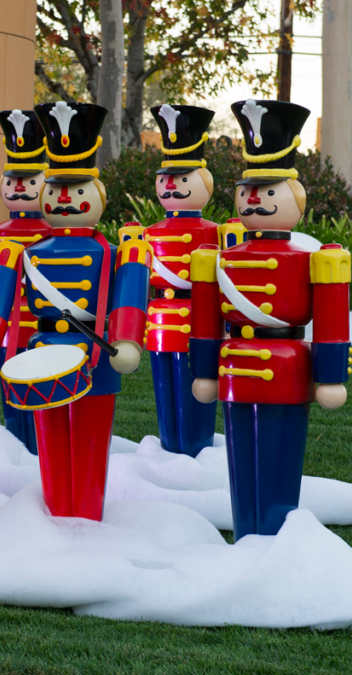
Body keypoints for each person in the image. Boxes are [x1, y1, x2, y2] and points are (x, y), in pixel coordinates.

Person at [0, 102, 150, 521]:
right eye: (57, 190)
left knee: (89, 442)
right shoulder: (21, 250)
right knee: (50, 446)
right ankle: (56, 512)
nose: (65, 200)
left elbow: (128, 296)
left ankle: (86, 516)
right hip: (43, 350)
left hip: (94, 353)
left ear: (97, 194)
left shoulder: (117, 251)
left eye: (77, 191)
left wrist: (127, 340)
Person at [189, 99, 352, 539]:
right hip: (235, 362)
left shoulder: (315, 257)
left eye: (268, 192)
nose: (255, 199)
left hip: (286, 364)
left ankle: (276, 536)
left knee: (280, 457)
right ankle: (247, 531)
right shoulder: (219, 257)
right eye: (248, 191)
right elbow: (205, 317)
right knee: (240, 458)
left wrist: (331, 376)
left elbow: (332, 319)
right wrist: (204, 369)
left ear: (296, 198)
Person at [0, 109, 53, 454]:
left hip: (44, 326)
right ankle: (17, 449)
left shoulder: (56, 233)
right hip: (4, 329)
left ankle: (43, 448)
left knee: (46, 390)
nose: (18, 188)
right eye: (13, 181)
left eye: (30, 182)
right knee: (12, 394)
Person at [143, 104, 219, 457]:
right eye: (166, 178)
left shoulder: (217, 232)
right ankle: (169, 448)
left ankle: (194, 451)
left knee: (194, 388)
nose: (171, 185)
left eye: (182, 179)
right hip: (160, 318)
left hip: (198, 319)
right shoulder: (148, 232)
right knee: (164, 391)